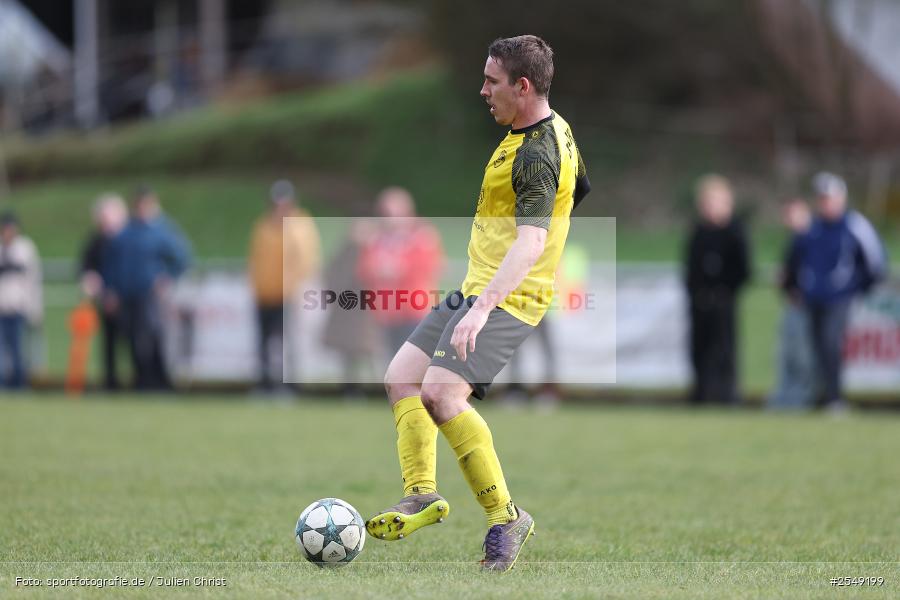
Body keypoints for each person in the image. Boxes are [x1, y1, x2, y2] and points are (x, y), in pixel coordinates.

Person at [366, 35, 590, 572]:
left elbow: (533, 240)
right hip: (478, 287)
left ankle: (505, 516)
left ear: (523, 85)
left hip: (507, 297)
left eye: (492, 81)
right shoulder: (549, 130)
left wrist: (485, 306)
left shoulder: (537, 152)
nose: (482, 90)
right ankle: (421, 493)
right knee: (402, 378)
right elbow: (578, 188)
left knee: (442, 395)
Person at [794, 172, 887, 410]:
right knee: (815, 348)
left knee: (830, 343)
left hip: (841, 297)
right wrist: (796, 286)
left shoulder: (855, 225)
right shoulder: (811, 228)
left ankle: (835, 398)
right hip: (813, 297)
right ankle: (819, 396)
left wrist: (860, 287)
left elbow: (875, 262)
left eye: (830, 198)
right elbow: (795, 260)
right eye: (822, 198)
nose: (825, 203)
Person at [104, 187, 191, 391]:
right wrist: (111, 289)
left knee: (153, 337)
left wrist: (167, 277)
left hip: (150, 295)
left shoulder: (162, 230)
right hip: (128, 295)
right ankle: (142, 379)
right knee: (134, 340)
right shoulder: (127, 232)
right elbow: (113, 263)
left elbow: (182, 258)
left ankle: (159, 380)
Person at [684, 174, 751, 405]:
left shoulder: (735, 232)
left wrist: (724, 291)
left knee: (724, 349)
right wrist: (697, 293)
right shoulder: (699, 232)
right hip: (700, 302)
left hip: (724, 301)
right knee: (699, 349)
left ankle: (727, 395)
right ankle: (702, 395)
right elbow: (690, 268)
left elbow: (743, 269)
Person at [248, 180, 320, 392]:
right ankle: (265, 382)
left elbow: (307, 260)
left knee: (288, 342)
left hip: (288, 293)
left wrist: (297, 287)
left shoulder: (301, 225)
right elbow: (256, 257)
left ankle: (290, 384)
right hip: (264, 292)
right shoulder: (262, 225)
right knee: (264, 342)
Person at [357, 187, 444, 356]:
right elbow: (363, 267)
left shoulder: (422, 235)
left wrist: (397, 268)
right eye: (386, 213)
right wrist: (378, 268)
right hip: (386, 311)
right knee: (390, 359)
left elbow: (430, 266)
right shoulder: (377, 237)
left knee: (413, 361)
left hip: (414, 309)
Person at [768, 198, 816, 410]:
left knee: (802, 354)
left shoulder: (812, 239)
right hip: (791, 304)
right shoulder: (795, 240)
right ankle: (786, 397)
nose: (789, 220)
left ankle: (801, 398)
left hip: (805, 306)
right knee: (786, 352)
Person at [80, 194, 129, 390]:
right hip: (105, 299)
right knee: (108, 344)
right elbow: (86, 266)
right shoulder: (96, 241)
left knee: (136, 342)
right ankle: (111, 382)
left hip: (128, 299)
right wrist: (92, 282)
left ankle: (143, 380)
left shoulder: (128, 239)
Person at [0, 212, 42, 389]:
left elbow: (33, 280)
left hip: (18, 308)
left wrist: (35, 309)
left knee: (18, 350)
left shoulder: (25, 248)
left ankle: (19, 385)